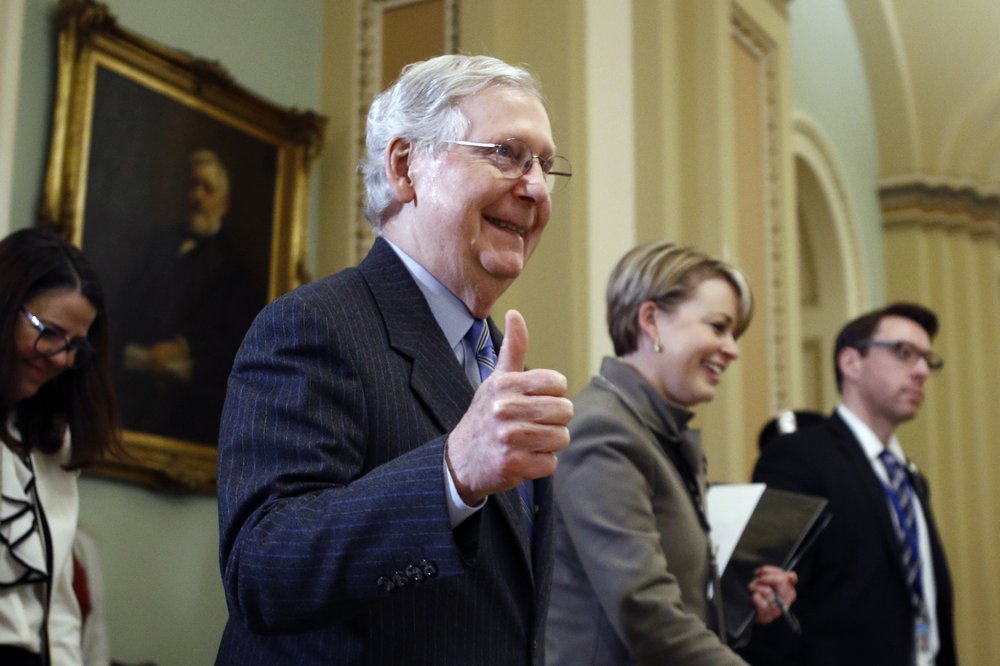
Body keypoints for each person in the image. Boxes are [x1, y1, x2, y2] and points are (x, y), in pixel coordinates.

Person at [216, 54, 574, 665]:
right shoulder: (314, 326)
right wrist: (453, 473)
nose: (536, 187)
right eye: (506, 154)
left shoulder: (490, 359)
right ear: (407, 167)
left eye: (544, 163)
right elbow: (262, 568)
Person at [546, 242, 797, 665]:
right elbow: (642, 609)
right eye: (718, 327)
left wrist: (742, 602)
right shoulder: (602, 431)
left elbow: (678, 596)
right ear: (651, 321)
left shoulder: (656, 432)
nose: (732, 349)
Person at [743, 303, 956, 665]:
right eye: (904, 353)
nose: (921, 371)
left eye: (927, 360)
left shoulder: (909, 478)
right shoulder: (797, 458)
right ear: (851, 363)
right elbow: (769, 605)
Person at [0, 228, 120, 665]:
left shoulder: (54, 441)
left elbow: (59, 606)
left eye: (75, 346)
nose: (59, 358)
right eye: (47, 332)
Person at [114, 148, 261, 444]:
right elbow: (127, 306)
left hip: (191, 409)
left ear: (224, 203)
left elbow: (236, 342)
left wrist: (184, 347)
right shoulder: (158, 246)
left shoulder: (235, 270)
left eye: (208, 189)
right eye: (194, 186)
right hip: (134, 389)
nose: (197, 197)